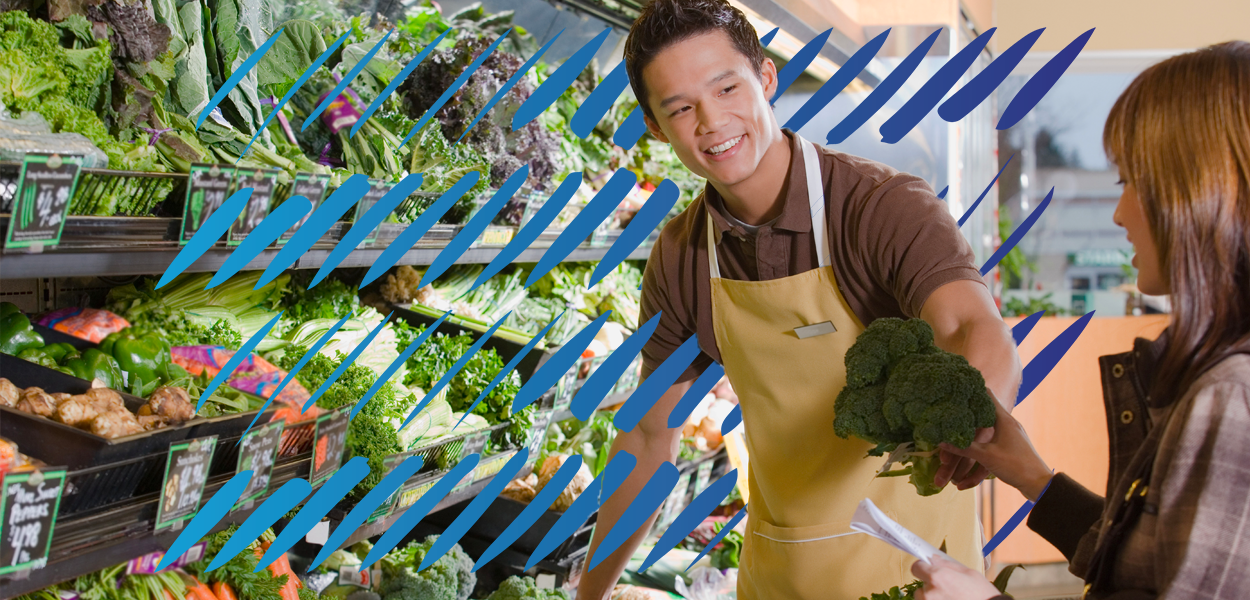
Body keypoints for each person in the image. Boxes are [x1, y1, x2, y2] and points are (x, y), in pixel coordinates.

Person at [573, 1, 1023, 598]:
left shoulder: (880, 208)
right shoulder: (682, 257)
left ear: (765, 78)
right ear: (655, 126)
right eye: (680, 108)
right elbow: (651, 438)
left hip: (918, 575)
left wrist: (974, 417)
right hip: (781, 574)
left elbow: (971, 326)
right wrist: (590, 594)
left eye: (727, 87)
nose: (711, 121)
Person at [911, 41, 1250, 600]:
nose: (1119, 213)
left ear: (1200, 192)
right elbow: (1150, 568)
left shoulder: (1231, 398)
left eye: (1130, 182)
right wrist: (1030, 473)